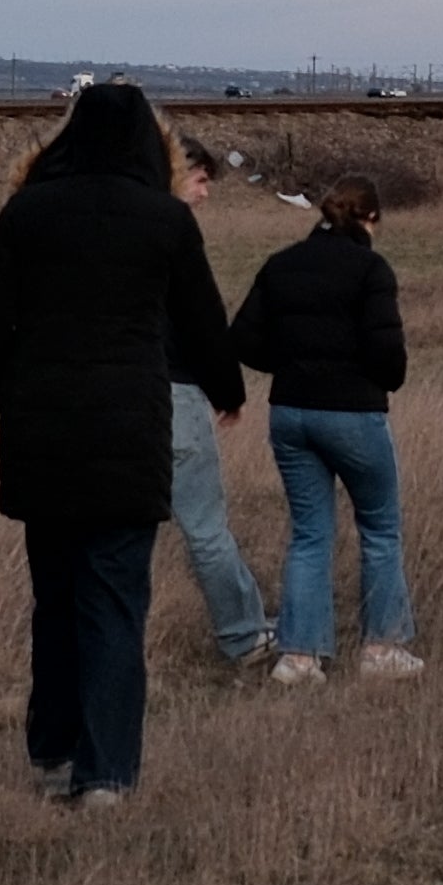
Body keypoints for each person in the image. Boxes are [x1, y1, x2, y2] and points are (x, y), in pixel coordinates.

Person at [0, 81, 232, 806]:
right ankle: (107, 774)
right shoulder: (164, 220)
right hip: (129, 435)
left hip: (43, 435)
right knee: (114, 604)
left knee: (55, 601)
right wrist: (229, 390)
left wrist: (14, 396)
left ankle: (52, 752)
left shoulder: (28, 213)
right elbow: (204, 323)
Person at [234, 176, 417, 682]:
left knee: (310, 534)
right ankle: (382, 649)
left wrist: (292, 364)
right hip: (354, 412)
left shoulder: (281, 264)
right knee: (380, 529)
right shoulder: (370, 270)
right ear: (370, 219)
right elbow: (388, 356)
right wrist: (377, 377)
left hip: (290, 412)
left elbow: (242, 338)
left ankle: (299, 656)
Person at [156, 137, 271, 673]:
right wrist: (228, 392)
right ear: (176, 172)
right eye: (200, 180)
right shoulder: (172, 231)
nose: (204, 194)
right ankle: (244, 636)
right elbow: (202, 321)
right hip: (174, 396)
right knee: (204, 528)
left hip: (110, 400)